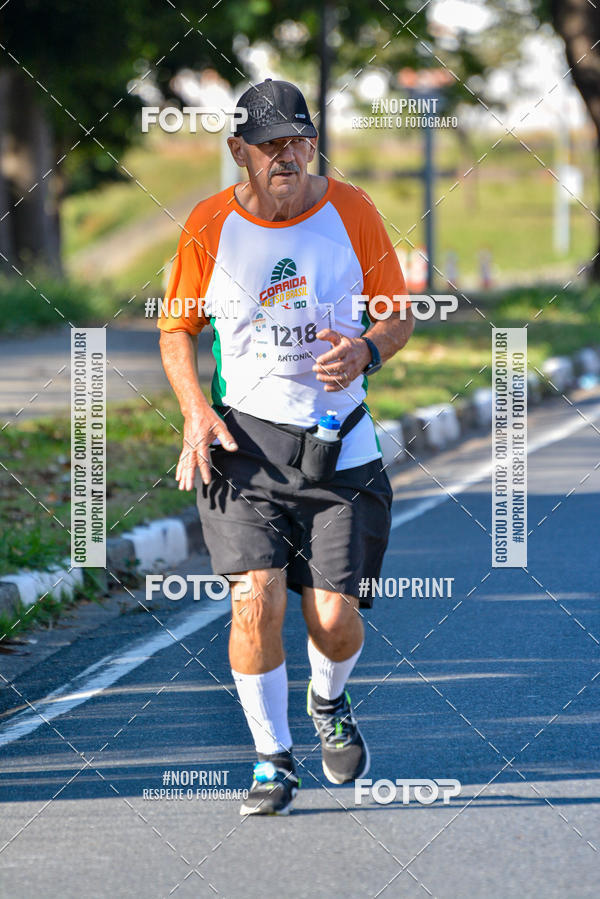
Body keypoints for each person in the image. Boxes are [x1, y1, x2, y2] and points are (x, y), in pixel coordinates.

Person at [158, 78, 413, 816]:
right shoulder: (209, 225)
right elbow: (177, 328)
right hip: (242, 444)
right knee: (254, 601)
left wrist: (367, 348)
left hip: (341, 447)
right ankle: (272, 758)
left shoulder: (352, 210)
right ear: (239, 151)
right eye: (270, 145)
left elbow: (397, 314)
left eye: (299, 141)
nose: (288, 156)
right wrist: (194, 408)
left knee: (331, 618)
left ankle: (328, 700)